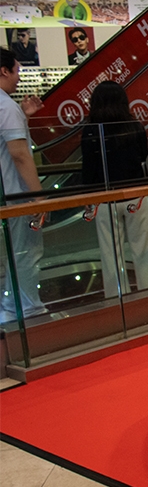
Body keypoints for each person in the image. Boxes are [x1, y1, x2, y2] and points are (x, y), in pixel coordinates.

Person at [80, 81, 148, 299]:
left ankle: (117, 300)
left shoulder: (91, 131)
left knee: (111, 255)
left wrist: (88, 196)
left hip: (106, 198)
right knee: (143, 250)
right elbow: (143, 157)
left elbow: (89, 167)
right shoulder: (134, 126)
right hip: (135, 195)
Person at [0, 47, 47, 323]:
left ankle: (11, 306)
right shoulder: (6, 107)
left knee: (12, 254)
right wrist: (38, 197)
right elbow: (19, 154)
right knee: (25, 253)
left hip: (6, 194)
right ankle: (28, 310)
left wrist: (24, 116)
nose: (19, 77)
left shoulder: (8, 107)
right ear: (4, 71)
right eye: (17, 71)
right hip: (16, 195)